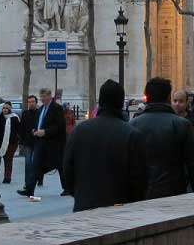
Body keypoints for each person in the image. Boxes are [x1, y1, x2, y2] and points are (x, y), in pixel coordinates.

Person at [63, 80, 147, 212]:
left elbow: (67, 171)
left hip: (84, 206)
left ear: (100, 102)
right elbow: (139, 179)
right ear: (120, 103)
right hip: (120, 209)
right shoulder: (132, 134)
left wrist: (81, 195)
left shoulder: (79, 131)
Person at [132, 77, 194, 196]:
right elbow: (193, 164)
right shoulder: (182, 124)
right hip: (174, 190)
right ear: (168, 97)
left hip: (142, 193)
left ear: (147, 97)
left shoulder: (134, 124)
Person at [18, 88, 65, 202]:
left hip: (53, 142)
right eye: (41, 96)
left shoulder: (56, 108)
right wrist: (36, 129)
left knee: (60, 166)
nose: (42, 98)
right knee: (35, 165)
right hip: (41, 142)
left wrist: (45, 132)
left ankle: (67, 187)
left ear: (50, 96)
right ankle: (29, 189)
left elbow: (59, 126)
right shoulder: (42, 109)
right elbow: (39, 122)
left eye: (44, 96)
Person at [18, 95, 40, 190]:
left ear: (36, 103)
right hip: (28, 142)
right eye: (29, 102)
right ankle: (27, 183)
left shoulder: (40, 114)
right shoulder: (25, 114)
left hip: (38, 142)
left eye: (32, 102)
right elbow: (21, 128)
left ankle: (38, 178)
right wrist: (21, 141)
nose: (31, 103)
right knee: (28, 163)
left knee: (37, 163)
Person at [0, 102, 20, 185]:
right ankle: (6, 176)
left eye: (7, 108)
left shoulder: (14, 118)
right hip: (3, 142)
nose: (5, 110)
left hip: (12, 142)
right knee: (5, 158)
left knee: (9, 159)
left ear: (10, 109)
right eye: (4, 108)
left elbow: (18, 129)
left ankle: (7, 177)